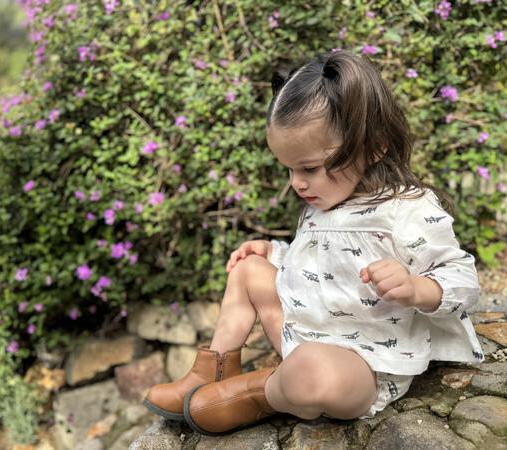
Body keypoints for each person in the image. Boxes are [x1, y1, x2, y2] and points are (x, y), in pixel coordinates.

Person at [143, 49, 484, 435]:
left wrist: (416, 287)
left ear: (373, 146)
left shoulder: (406, 209)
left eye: (308, 168)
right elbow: (320, 268)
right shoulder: (326, 198)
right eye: (289, 169)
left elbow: (462, 278)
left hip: (358, 366)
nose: (297, 183)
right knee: (248, 270)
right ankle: (211, 371)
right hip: (302, 336)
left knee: (311, 372)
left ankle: (259, 392)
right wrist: (275, 253)